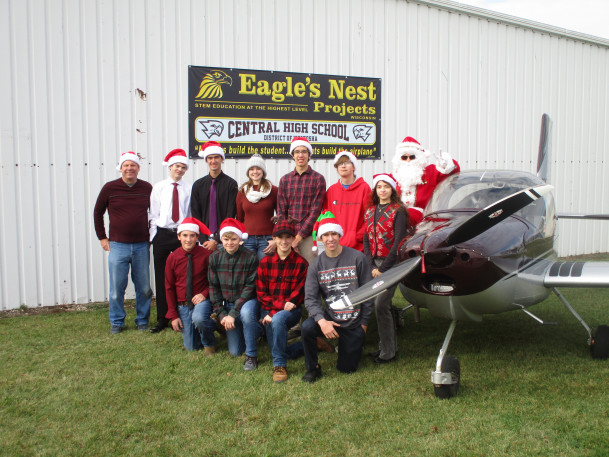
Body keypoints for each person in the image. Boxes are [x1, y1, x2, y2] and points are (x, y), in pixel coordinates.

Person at [300, 216, 374, 382]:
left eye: (334, 234)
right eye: (326, 235)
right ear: (320, 238)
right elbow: (311, 299)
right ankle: (313, 367)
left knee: (347, 369)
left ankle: (349, 346)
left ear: (340, 235)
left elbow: (368, 292)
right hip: (331, 318)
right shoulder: (316, 265)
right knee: (306, 327)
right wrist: (322, 321)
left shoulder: (357, 258)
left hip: (354, 322)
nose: (330, 238)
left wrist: (364, 323)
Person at [93, 151, 153, 334]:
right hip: (118, 245)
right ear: (120, 168)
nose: (129, 168)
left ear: (138, 168)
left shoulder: (146, 188)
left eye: (133, 165)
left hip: (142, 244)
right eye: (126, 165)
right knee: (117, 288)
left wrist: (152, 236)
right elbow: (98, 212)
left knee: (143, 288)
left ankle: (142, 320)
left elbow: (156, 213)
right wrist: (102, 237)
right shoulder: (110, 188)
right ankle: (117, 321)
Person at [363, 173, 409, 364]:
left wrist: (384, 267)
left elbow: (399, 240)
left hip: (391, 263)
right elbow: (366, 238)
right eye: (379, 187)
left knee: (381, 304)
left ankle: (388, 352)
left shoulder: (398, 210)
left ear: (392, 189)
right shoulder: (370, 211)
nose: (382, 190)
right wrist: (371, 264)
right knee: (382, 306)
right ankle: (385, 346)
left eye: (386, 186)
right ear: (375, 190)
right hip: (374, 264)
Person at [256, 219, 308, 383]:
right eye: (280, 237)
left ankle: (279, 365)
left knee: (278, 320)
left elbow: (299, 294)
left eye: (288, 237)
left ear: (293, 239)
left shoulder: (301, 263)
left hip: (291, 311)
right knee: (277, 347)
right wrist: (273, 311)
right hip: (269, 309)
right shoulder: (265, 263)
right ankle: (308, 344)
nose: (284, 241)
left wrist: (275, 313)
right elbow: (261, 293)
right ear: (274, 239)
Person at [208, 218, 261, 371]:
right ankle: (249, 331)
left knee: (245, 314)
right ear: (221, 240)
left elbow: (250, 287)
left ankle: (251, 356)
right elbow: (214, 288)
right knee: (235, 351)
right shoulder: (215, 258)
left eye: (233, 239)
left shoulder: (250, 257)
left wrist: (233, 313)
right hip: (227, 304)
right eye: (226, 239)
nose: (230, 243)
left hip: (246, 302)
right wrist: (222, 314)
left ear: (240, 239)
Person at [149, 148, 191, 334]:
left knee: (182, 276)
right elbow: (153, 213)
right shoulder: (159, 187)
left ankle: (182, 314)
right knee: (161, 276)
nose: (179, 170)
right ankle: (162, 318)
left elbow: (189, 214)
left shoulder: (188, 188)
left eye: (183, 167)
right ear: (170, 167)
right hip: (163, 234)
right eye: (176, 166)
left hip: (180, 235)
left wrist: (188, 235)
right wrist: (154, 236)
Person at [164, 217, 214, 352]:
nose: (188, 239)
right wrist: (173, 315)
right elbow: (169, 287)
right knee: (191, 347)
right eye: (185, 235)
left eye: (192, 236)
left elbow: (215, 281)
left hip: (201, 301)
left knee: (199, 319)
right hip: (183, 305)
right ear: (179, 236)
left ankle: (209, 342)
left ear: (197, 237)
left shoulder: (207, 255)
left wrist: (204, 294)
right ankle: (203, 329)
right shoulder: (173, 257)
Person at [277, 136, 326, 264]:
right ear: (292, 155)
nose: (301, 155)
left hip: (308, 235)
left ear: (309, 155)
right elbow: (281, 211)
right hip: (288, 236)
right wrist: (286, 235)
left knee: (310, 271)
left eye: (304, 151)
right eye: (297, 152)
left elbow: (315, 212)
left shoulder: (318, 179)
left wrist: (298, 238)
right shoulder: (285, 180)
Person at [392, 136, 460, 226]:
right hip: (400, 219)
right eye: (404, 157)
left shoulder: (430, 171)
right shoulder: (397, 175)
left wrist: (446, 165)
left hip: (425, 219)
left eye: (412, 157)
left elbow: (453, 172)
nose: (408, 160)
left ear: (419, 157)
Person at [190, 141, 238, 251]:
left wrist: (216, 239)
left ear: (222, 159)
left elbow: (230, 213)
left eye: (216, 157)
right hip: (204, 241)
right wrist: (203, 239)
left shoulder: (231, 184)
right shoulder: (198, 185)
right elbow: (195, 214)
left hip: (224, 240)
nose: (213, 161)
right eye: (210, 158)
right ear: (206, 160)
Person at [322, 151, 371, 252]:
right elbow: (327, 217)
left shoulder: (364, 188)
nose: (343, 166)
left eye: (347, 162)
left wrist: (359, 236)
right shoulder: (331, 190)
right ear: (336, 169)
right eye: (340, 163)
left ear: (354, 167)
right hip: (336, 247)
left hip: (358, 247)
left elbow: (370, 216)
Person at [236, 154, 278, 260]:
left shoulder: (273, 191)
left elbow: (280, 217)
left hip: (267, 240)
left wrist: (276, 239)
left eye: (258, 168)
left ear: (263, 171)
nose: (255, 172)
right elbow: (240, 219)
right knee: (249, 272)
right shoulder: (242, 192)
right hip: (247, 240)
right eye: (251, 169)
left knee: (266, 272)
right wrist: (239, 238)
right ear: (248, 172)